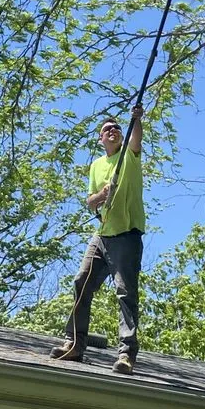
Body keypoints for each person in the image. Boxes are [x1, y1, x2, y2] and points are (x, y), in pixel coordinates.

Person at [50, 104, 145, 374]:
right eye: (107, 129)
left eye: (116, 128)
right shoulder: (96, 165)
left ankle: (126, 354)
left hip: (126, 235)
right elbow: (90, 202)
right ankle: (75, 344)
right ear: (100, 139)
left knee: (125, 292)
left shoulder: (129, 155)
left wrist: (136, 120)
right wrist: (102, 196)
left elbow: (136, 138)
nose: (113, 131)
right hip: (101, 236)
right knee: (82, 282)